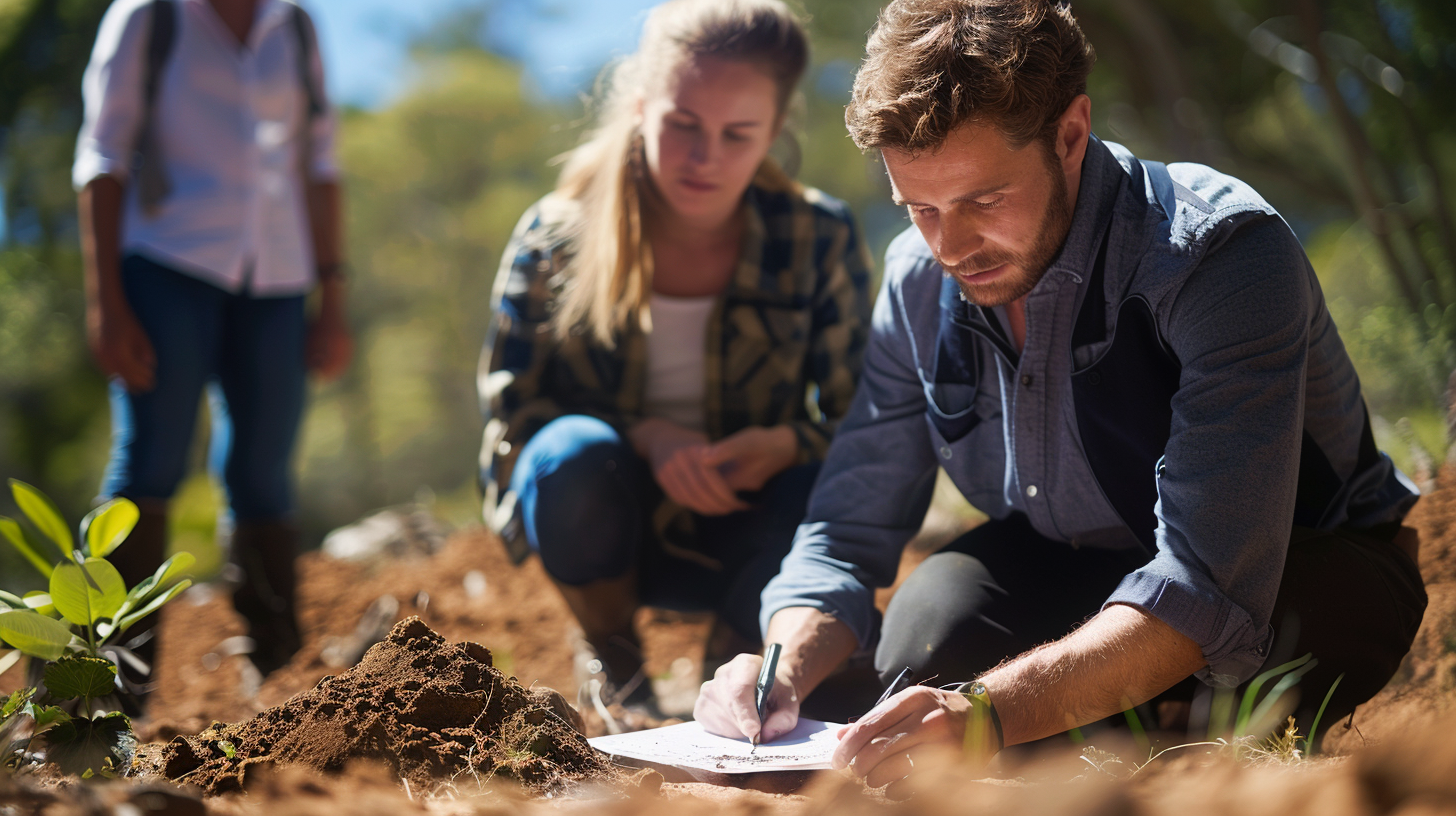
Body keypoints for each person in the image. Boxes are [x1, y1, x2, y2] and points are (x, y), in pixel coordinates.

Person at [695, 0, 1427, 794]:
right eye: (920, 208)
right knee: (924, 638)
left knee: (1213, 685)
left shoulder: (1218, 255)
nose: (949, 247)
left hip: (1292, 569)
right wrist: (782, 666)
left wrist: (988, 711)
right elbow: (844, 528)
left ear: (1071, 135)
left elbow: (1201, 585)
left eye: (982, 200)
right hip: (1079, 564)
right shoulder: (916, 277)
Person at [477, 0, 873, 706]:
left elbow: (869, 421)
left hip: (754, 535)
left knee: (824, 484)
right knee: (569, 454)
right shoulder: (552, 237)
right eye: (682, 125)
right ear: (638, 108)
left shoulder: (820, 237)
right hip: (604, 537)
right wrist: (647, 437)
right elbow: (512, 418)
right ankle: (614, 661)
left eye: (737, 134)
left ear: (775, 132)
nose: (704, 158)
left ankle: (737, 670)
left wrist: (786, 442)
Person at [74, 0, 351, 684]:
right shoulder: (149, 17)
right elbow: (103, 155)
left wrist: (333, 297)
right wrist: (105, 301)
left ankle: (279, 683)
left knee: (264, 472)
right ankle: (107, 694)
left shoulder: (293, 26)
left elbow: (320, 163)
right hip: (167, 265)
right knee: (150, 465)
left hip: (278, 278)